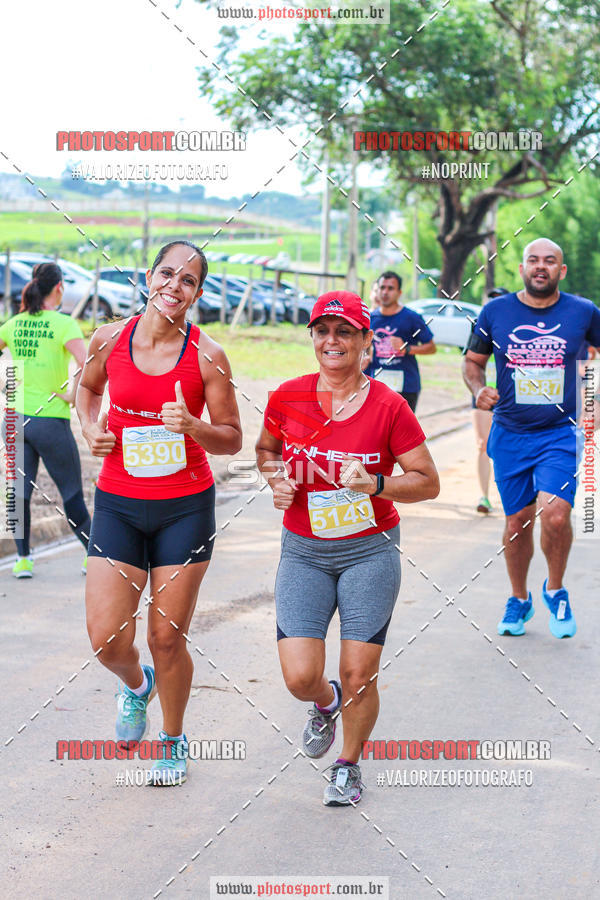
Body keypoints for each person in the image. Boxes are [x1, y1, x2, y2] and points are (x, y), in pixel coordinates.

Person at [256, 290, 439, 805]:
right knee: (299, 677)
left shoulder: (388, 405)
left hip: (369, 551)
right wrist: (276, 480)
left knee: (358, 670)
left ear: (365, 342)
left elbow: (427, 481)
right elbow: (266, 452)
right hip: (305, 552)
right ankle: (324, 702)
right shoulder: (287, 397)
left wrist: (375, 485)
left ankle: (348, 765)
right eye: (322, 331)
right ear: (313, 337)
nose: (331, 340)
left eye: (344, 331)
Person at [76, 241, 242, 785]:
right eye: (167, 273)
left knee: (166, 638)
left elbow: (232, 439)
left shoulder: (209, 355)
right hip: (119, 503)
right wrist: (90, 427)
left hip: (184, 509)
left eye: (188, 280)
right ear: (149, 277)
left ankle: (172, 738)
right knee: (105, 639)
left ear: (198, 293)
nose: (175, 285)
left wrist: (193, 427)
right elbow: (88, 389)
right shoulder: (109, 338)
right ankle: (136, 686)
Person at [463, 238, 600, 639]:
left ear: (562, 270)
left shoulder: (584, 312)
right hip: (509, 433)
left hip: (559, 432)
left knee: (556, 514)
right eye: (533, 260)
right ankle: (519, 599)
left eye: (550, 261)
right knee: (517, 522)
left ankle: (555, 590)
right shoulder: (495, 311)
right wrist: (477, 389)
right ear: (522, 267)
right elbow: (473, 362)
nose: (541, 266)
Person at [0, 262, 91, 577]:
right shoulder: (63, 324)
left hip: (13, 421)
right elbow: (86, 362)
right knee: (70, 493)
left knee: (19, 492)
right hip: (50, 419)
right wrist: (72, 395)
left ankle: (23, 560)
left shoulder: (13, 323)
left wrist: (6, 386)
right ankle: (93, 555)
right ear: (60, 288)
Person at [365, 271, 436, 412]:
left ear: (399, 292)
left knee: (402, 432)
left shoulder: (411, 317)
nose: (385, 292)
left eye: (390, 288)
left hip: (406, 386)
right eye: (382, 288)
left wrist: (407, 349)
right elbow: (363, 348)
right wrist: (363, 358)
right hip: (376, 384)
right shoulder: (370, 319)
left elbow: (431, 347)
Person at [470, 287, 509, 514]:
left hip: (512, 396)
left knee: (505, 447)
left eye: (499, 300)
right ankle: (484, 496)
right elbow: (470, 362)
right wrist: (478, 389)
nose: (494, 304)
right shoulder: (478, 326)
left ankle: (510, 494)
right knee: (483, 445)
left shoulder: (519, 326)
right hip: (484, 394)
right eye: (490, 300)